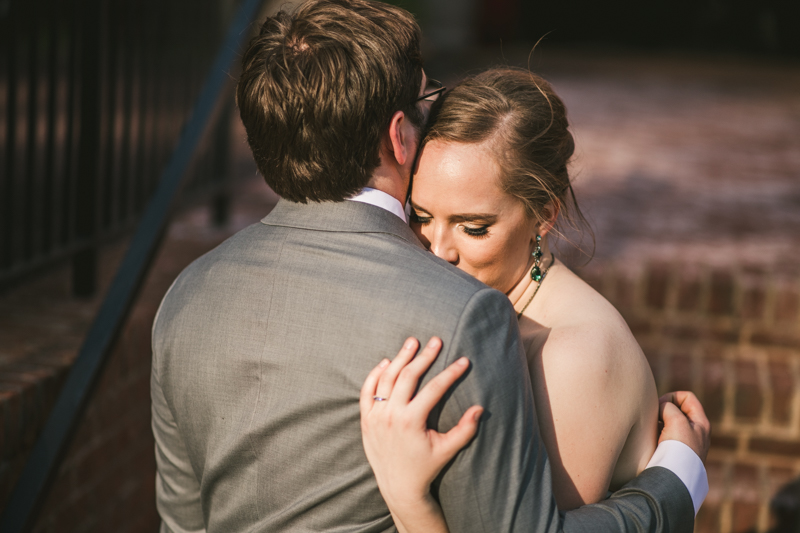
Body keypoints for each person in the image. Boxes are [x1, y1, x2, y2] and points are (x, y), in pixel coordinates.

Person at [150, 1, 709, 532]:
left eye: (472, 225)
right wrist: (677, 481)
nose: (438, 248)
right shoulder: (460, 314)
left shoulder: (184, 297)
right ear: (399, 136)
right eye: (425, 102)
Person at [358, 67, 709, 531]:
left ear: (542, 216)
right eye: (421, 217)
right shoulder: (479, 306)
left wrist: (408, 500)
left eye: (474, 227)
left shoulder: (574, 355)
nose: (438, 250)